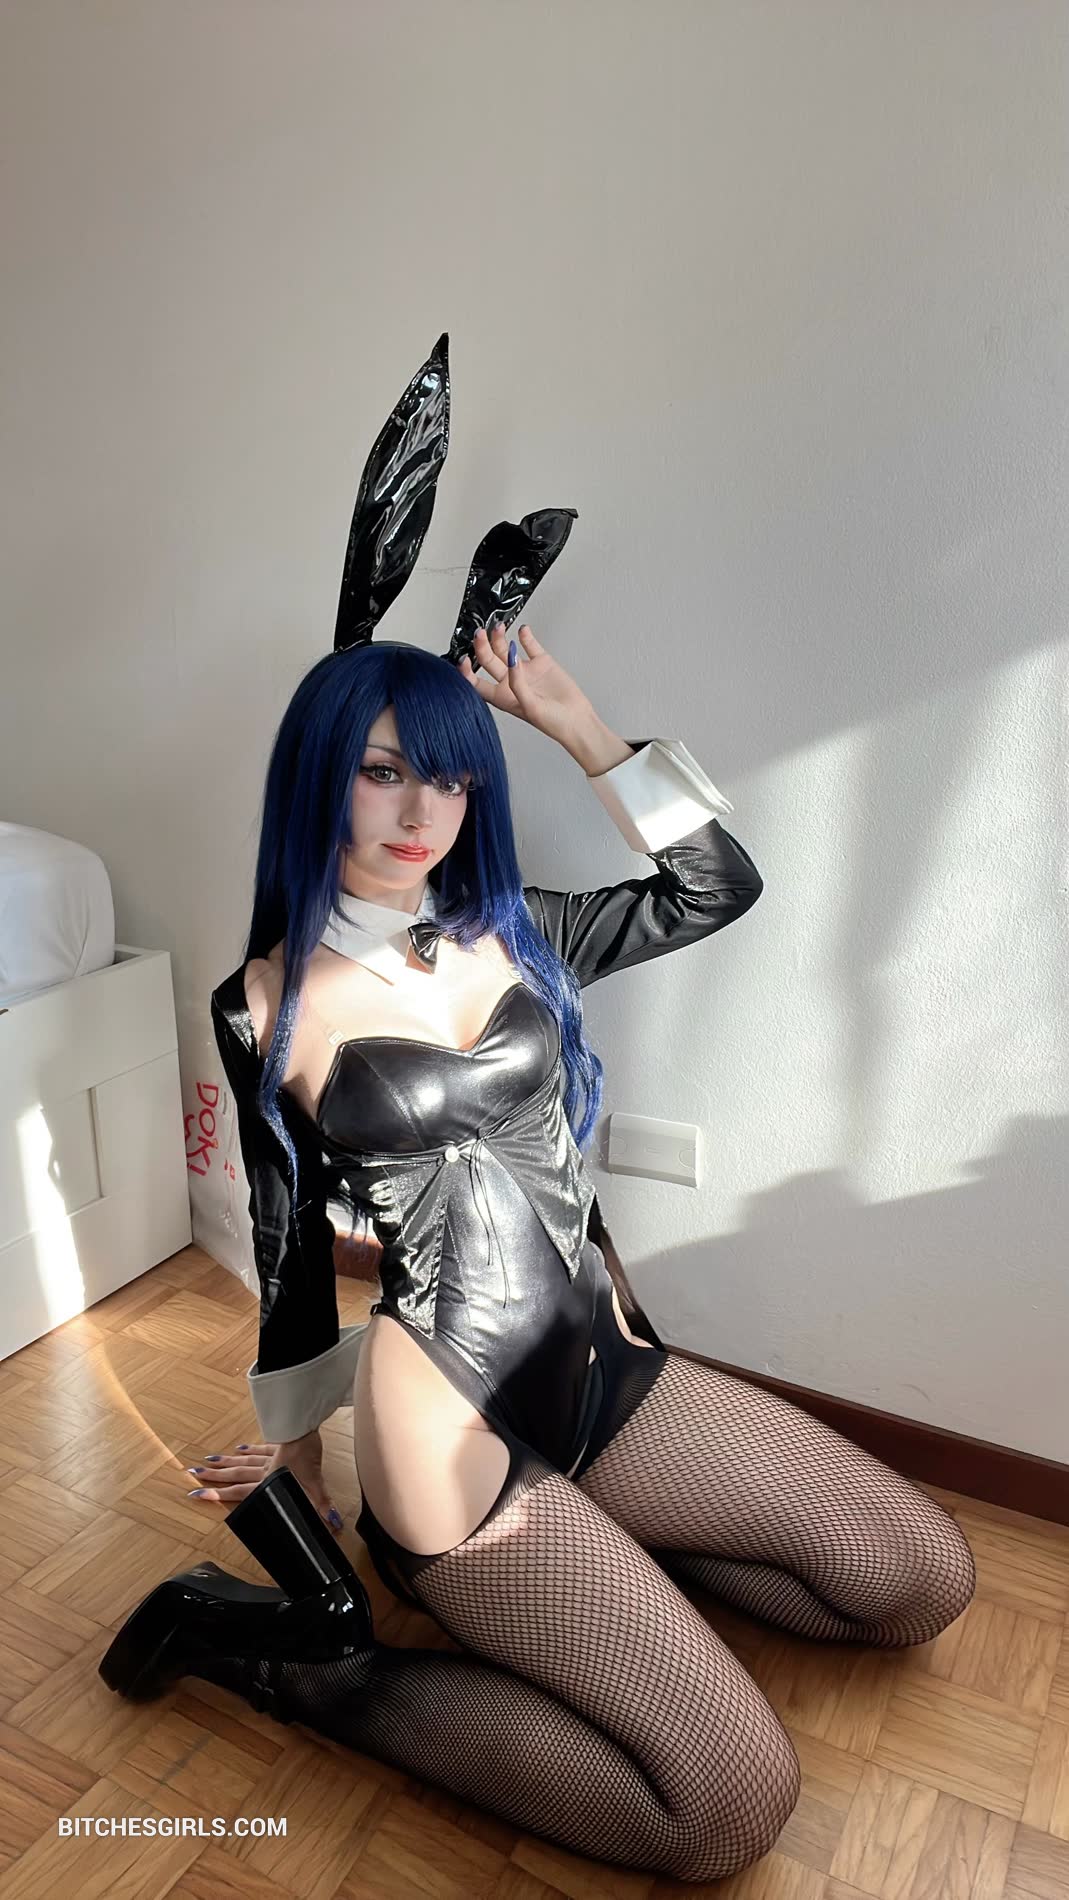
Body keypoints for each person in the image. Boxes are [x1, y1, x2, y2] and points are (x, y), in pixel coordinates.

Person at [100, 339, 976, 1882]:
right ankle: (307, 1671)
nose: (419, 810)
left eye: (446, 778)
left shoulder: (525, 934)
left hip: (601, 1370)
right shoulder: (263, 1005)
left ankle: (590, 1570)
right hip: (446, 1426)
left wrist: (572, 721)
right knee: (725, 1809)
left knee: (919, 1578)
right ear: (320, 778)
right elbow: (288, 1246)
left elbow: (713, 885)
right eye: (382, 772)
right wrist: (299, 1461)